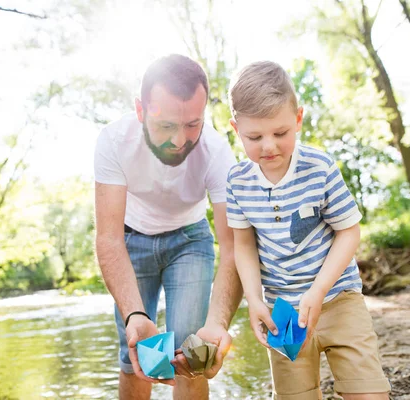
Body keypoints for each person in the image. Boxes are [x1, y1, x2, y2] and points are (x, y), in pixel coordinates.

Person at [225, 61, 391, 400]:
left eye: (280, 133)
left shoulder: (319, 167)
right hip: (282, 314)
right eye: (254, 137)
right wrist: (254, 300)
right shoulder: (237, 182)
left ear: (298, 119)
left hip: (338, 298)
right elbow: (243, 246)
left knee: (368, 393)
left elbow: (349, 232)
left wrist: (318, 291)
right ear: (235, 129)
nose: (268, 146)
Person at [94, 54, 243, 400]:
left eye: (193, 124)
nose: (179, 140)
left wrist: (218, 323)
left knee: (192, 354)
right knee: (136, 354)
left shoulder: (218, 153)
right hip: (130, 241)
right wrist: (134, 314)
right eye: (166, 126)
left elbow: (233, 249)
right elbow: (108, 238)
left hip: (190, 240)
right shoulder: (113, 142)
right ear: (141, 110)